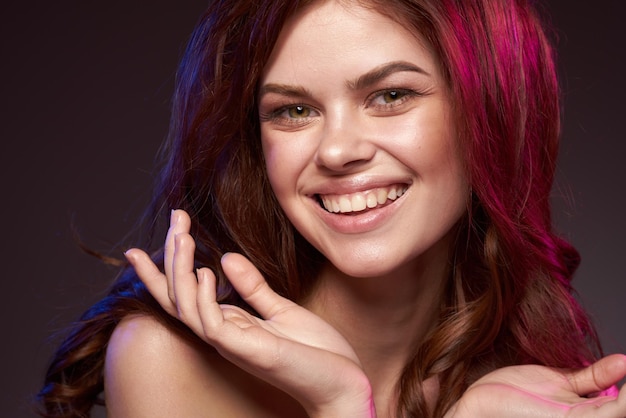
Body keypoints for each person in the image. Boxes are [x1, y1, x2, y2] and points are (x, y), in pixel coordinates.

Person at [37, 0, 626, 417]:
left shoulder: (532, 389)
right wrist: (341, 404)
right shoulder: (170, 364)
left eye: (391, 96)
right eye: (293, 111)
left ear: (491, 114)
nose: (338, 150)